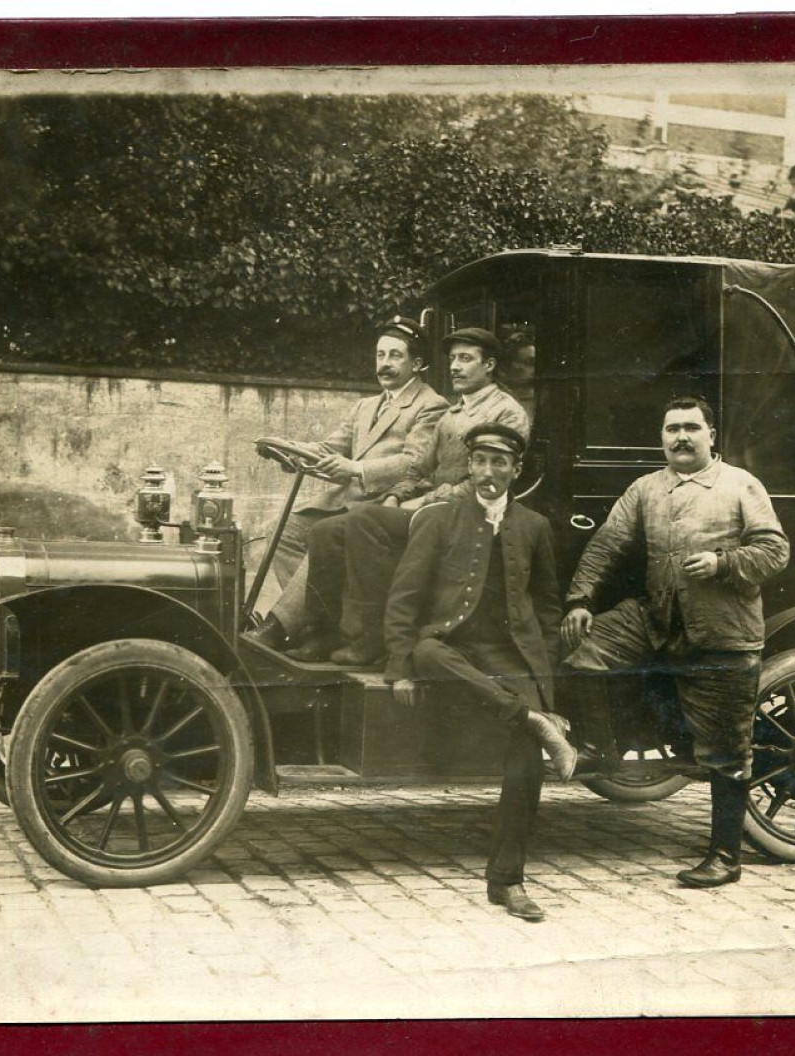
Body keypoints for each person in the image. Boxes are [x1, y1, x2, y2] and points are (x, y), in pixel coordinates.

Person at [560, 395, 790, 889]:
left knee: (726, 750)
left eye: (691, 428)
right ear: (661, 438)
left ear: (712, 435)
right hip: (657, 618)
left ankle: (725, 857)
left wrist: (723, 563)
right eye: (671, 429)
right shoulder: (646, 489)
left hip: (721, 632)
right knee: (582, 647)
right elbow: (607, 542)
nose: (681, 437)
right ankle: (600, 752)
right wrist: (580, 599)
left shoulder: (740, 485)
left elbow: (774, 551)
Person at [383, 423, 575, 922]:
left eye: (499, 463)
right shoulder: (439, 518)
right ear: (469, 467)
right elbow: (404, 598)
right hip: (452, 650)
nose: (489, 473)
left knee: (527, 763)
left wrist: (543, 685)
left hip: (510, 657)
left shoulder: (534, 526)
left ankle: (507, 881)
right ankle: (531, 719)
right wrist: (400, 667)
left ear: (515, 470)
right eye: (480, 462)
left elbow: (548, 610)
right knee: (428, 652)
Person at [298, 327, 529, 665]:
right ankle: (322, 633)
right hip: (435, 508)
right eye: (452, 359)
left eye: (466, 359)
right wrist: (395, 496)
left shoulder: (506, 412)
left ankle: (373, 640)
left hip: (470, 513)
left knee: (363, 518)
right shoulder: (454, 412)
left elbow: (487, 480)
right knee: (326, 531)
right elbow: (418, 467)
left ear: (489, 365)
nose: (455, 367)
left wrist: (423, 500)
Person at [246, 317, 447, 651]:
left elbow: (413, 462)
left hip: (383, 505)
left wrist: (355, 469)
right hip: (344, 501)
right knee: (281, 532)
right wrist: (291, 451)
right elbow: (329, 448)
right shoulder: (365, 405)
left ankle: (281, 624)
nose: (385, 363)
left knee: (324, 535)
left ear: (417, 364)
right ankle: (319, 621)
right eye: (381, 355)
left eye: (395, 356)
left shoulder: (431, 405)